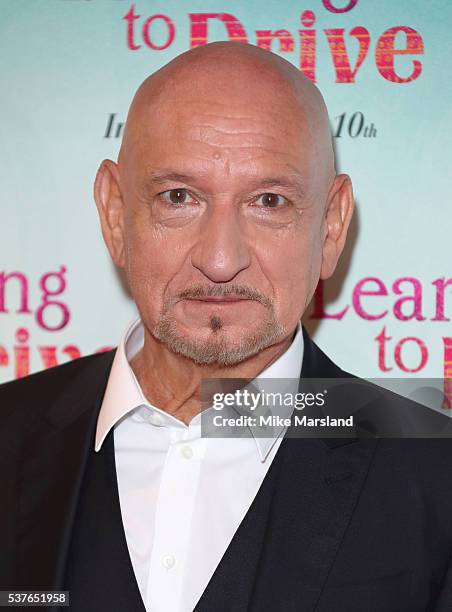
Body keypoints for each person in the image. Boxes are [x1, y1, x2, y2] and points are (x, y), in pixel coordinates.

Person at [1, 41, 452, 612]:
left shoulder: (434, 476)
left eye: (268, 201)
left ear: (332, 228)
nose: (220, 259)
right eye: (179, 197)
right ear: (115, 215)